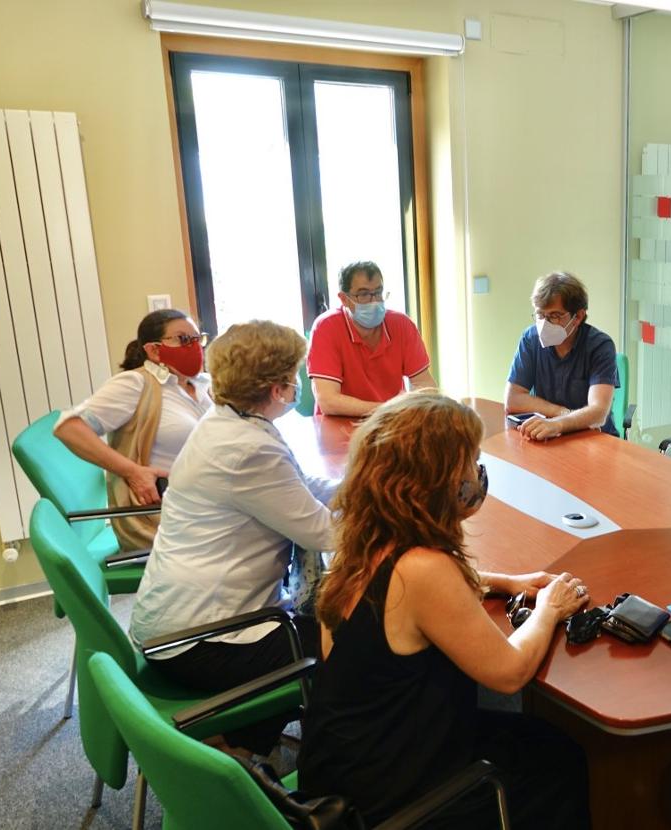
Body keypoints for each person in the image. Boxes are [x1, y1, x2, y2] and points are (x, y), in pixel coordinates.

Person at [299, 391, 591, 828]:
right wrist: (550, 608)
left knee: (532, 738)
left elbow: (408, 597)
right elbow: (509, 673)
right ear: (435, 479)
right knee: (557, 757)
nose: (476, 474)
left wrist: (500, 581)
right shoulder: (425, 569)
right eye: (469, 461)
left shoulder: (364, 542)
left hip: (341, 768)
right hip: (391, 797)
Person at [129, 320, 338, 754]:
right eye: (294, 373)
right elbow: (324, 533)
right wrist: (398, 504)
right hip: (202, 642)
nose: (298, 381)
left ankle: (243, 743)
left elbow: (296, 485)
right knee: (350, 643)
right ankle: (241, 750)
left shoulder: (227, 421)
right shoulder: (246, 449)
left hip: (177, 622)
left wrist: (365, 484)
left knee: (320, 630)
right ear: (277, 386)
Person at [54, 308, 212, 549]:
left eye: (196, 339)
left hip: (207, 503)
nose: (194, 347)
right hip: (168, 515)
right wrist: (133, 472)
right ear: (154, 350)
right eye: (182, 339)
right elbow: (68, 428)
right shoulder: (136, 383)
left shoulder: (201, 384)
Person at [307, 260, 436, 416]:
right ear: (344, 298)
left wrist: (421, 408)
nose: (374, 301)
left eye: (378, 292)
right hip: (339, 424)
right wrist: (390, 410)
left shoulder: (401, 324)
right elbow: (328, 401)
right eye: (364, 294)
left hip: (390, 422)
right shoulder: (326, 327)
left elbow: (425, 385)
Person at [505, 271, 620, 440]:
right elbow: (513, 399)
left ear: (578, 316)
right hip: (550, 435)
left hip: (595, 438)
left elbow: (598, 413)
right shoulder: (530, 339)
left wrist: (558, 423)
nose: (544, 324)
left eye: (554, 316)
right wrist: (561, 413)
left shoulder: (600, 346)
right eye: (540, 315)